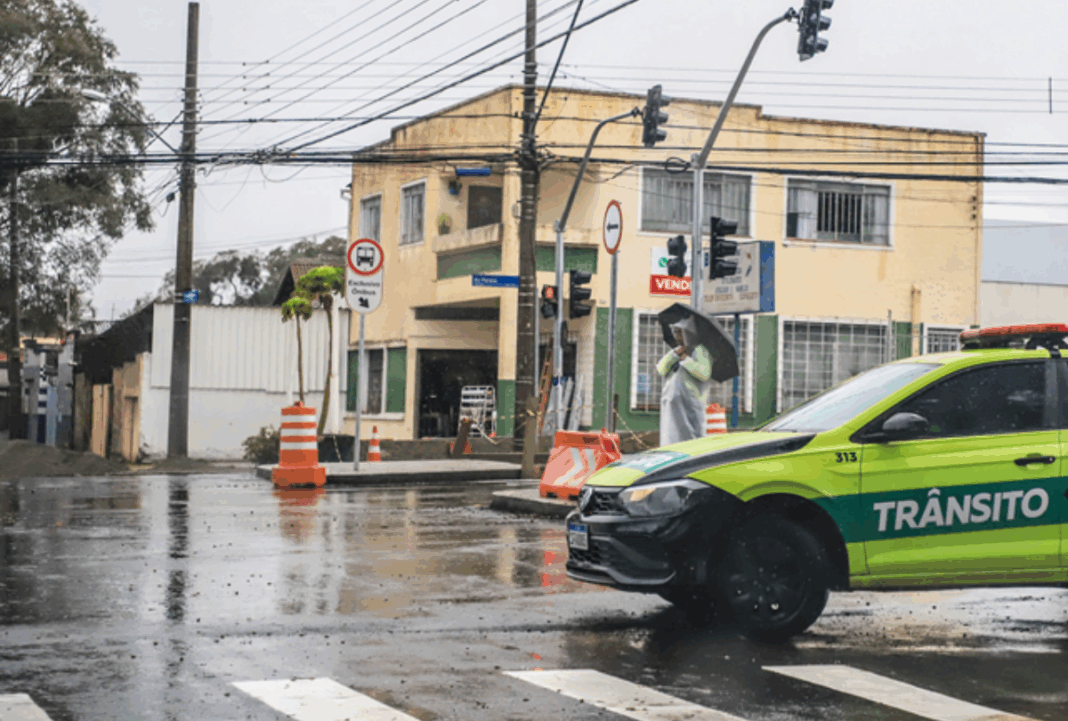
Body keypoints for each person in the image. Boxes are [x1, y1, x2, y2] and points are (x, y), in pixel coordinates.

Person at [657, 316, 713, 445]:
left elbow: (704, 374)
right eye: (675, 331)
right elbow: (661, 369)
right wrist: (674, 355)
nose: (678, 335)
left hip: (690, 405)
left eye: (680, 331)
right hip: (671, 405)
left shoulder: (700, 351)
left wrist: (686, 359)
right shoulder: (676, 350)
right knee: (670, 438)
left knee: (691, 439)